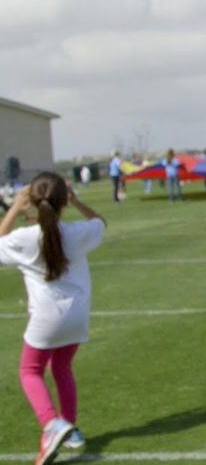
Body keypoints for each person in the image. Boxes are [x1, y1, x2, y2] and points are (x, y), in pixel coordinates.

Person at [0, 172, 106, 464]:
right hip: (78, 315)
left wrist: (14, 209)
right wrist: (78, 202)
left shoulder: (24, 238)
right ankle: (70, 429)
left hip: (47, 318)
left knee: (29, 371)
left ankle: (52, 424)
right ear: (63, 202)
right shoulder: (76, 232)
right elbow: (100, 223)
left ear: (33, 201)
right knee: (62, 367)